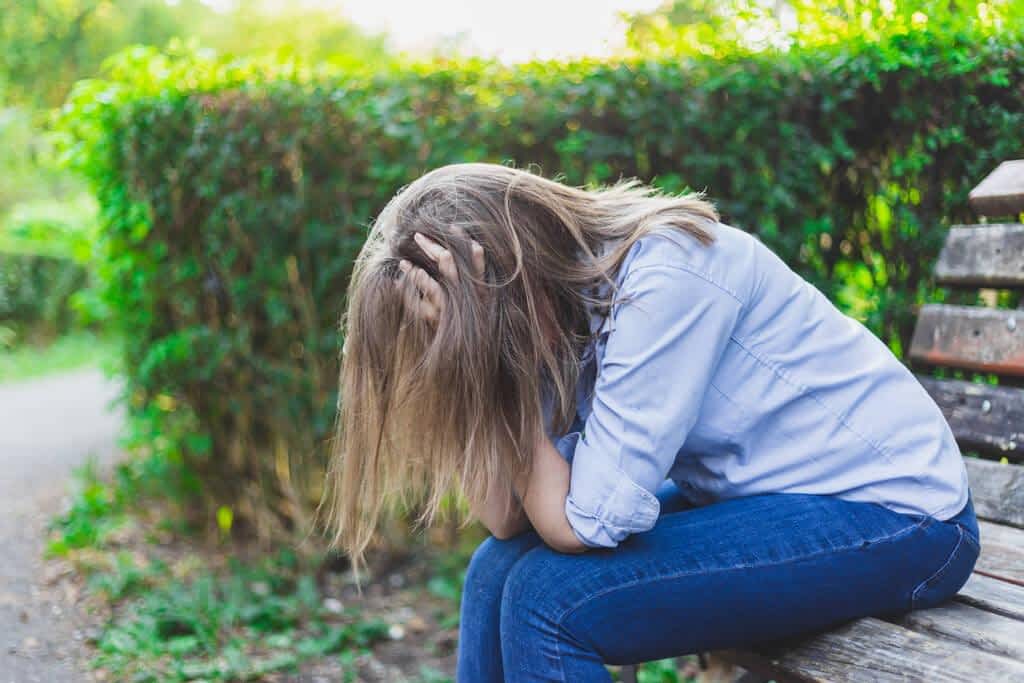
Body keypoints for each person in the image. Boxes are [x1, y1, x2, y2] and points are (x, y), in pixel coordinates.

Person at [325, 162, 980, 683]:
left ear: (509, 275)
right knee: (495, 570)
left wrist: (494, 365)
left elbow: (581, 525)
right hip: (783, 499)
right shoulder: (560, 306)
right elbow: (506, 517)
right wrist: (473, 370)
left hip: (904, 516)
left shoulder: (664, 276)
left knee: (548, 601)